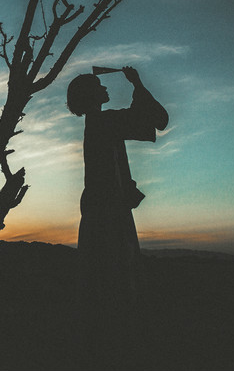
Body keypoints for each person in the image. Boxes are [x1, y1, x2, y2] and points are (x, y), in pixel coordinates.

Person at [67, 66, 168, 367]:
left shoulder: (99, 123)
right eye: (98, 84)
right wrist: (136, 83)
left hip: (102, 215)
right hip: (108, 218)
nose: (104, 87)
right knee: (114, 284)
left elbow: (146, 119)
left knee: (104, 284)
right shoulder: (103, 123)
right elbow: (159, 120)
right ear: (91, 95)